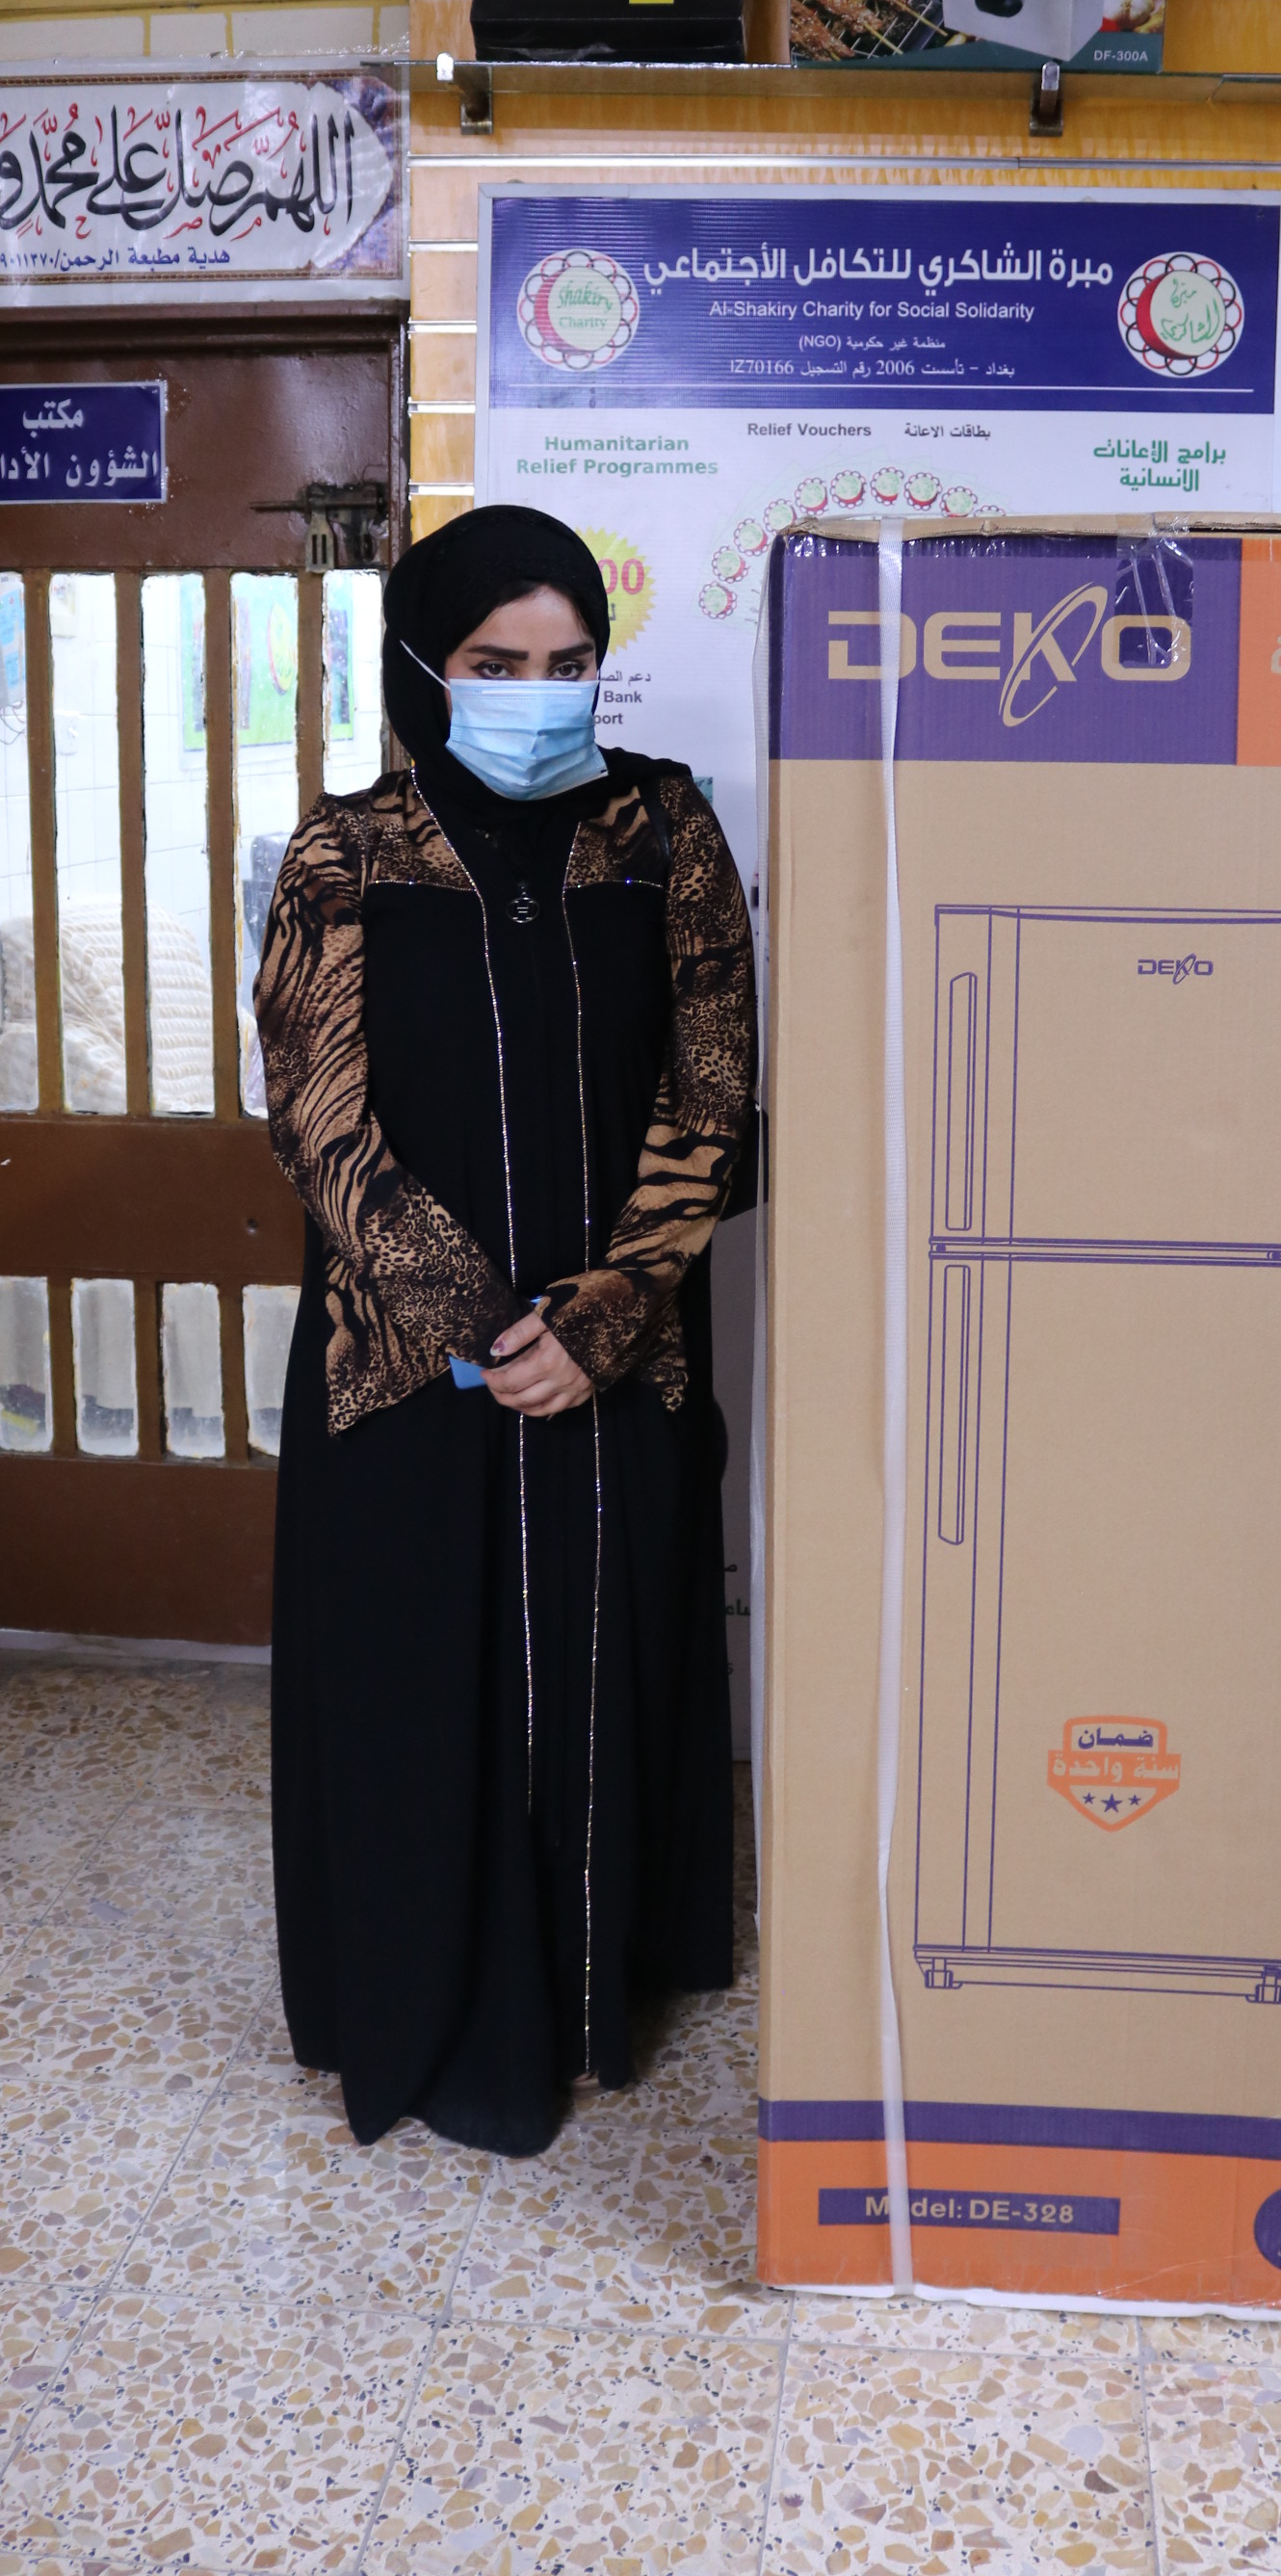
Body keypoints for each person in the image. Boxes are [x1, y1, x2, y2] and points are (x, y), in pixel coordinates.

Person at [254, 505, 756, 2153]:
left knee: (605, 1656)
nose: (537, 696)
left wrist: (607, 1311)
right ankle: (425, 2003)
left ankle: (600, 1987)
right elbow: (319, 1121)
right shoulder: (343, 855)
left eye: (568, 664)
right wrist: (481, 1323)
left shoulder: (664, 830)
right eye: (495, 663)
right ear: (423, 666)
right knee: (419, 1676)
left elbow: (713, 1091)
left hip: (625, 1350)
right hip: (408, 1366)